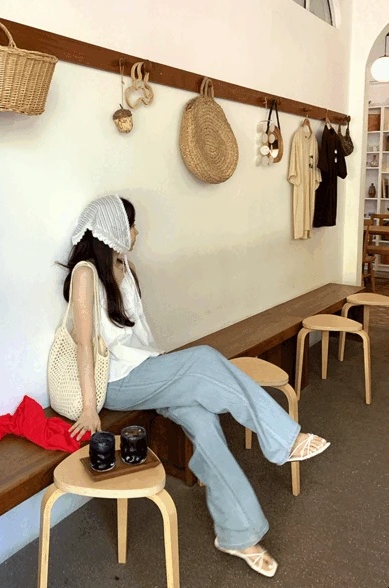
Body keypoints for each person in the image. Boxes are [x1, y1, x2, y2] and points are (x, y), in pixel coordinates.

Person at [63, 194, 330, 578]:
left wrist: (165, 365)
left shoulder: (122, 266)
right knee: (205, 357)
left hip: (146, 371)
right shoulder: (85, 274)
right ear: (112, 228)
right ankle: (283, 439)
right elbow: (84, 345)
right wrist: (90, 408)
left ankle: (238, 534)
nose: (136, 233)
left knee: (204, 423)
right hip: (118, 382)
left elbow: (138, 338)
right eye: (131, 225)